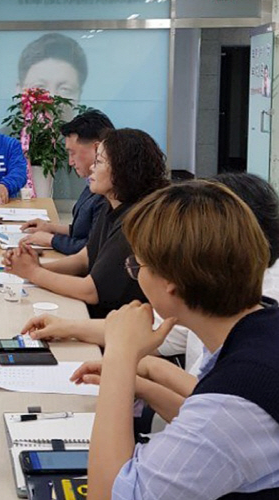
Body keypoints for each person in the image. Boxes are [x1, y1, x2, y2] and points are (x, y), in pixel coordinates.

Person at [71, 181, 279, 499]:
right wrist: (137, 383)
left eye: (137, 265)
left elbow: (108, 494)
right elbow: (201, 416)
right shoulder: (261, 326)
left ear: (169, 282)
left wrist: (120, 355)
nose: (137, 276)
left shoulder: (232, 404)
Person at [23, 172, 279, 376]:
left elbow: (210, 406)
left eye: (140, 264)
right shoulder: (220, 298)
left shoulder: (252, 321)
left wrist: (121, 365)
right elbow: (193, 388)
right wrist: (68, 327)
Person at [4, 128, 168, 318]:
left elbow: (90, 290)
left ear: (123, 168)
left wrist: (34, 273)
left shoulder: (135, 221)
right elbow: (85, 258)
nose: (92, 167)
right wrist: (33, 267)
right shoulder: (111, 205)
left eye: (98, 162)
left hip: (115, 322)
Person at [20, 110, 113, 254]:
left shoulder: (108, 193)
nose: (70, 162)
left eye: (72, 153)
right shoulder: (92, 183)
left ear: (97, 148)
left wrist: (51, 240)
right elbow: (83, 231)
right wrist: (50, 228)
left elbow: (92, 248)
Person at [17, 32, 88, 122]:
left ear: (79, 95)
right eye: (40, 87)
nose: (52, 99)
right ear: (19, 91)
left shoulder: (91, 135)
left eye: (64, 89)